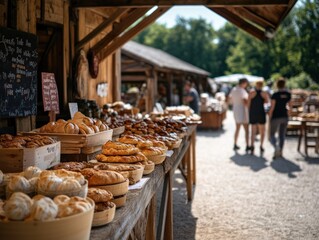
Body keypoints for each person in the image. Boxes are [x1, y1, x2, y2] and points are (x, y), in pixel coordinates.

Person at [268, 78, 292, 159]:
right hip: (284, 116)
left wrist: (269, 116)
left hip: (276, 116)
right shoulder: (288, 94)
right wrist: (289, 114)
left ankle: (276, 147)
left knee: (271, 134)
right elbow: (290, 106)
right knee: (282, 135)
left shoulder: (275, 94)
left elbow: (272, 107)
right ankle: (281, 151)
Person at [248, 80, 269, 154]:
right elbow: (266, 102)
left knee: (253, 131)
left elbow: (249, 104)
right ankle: (261, 145)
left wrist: (249, 113)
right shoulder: (264, 93)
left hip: (253, 112)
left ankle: (252, 145)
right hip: (261, 112)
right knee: (262, 131)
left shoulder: (251, 92)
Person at [229, 78, 249, 151]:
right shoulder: (242, 91)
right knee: (246, 129)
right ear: (243, 83)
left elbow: (230, 99)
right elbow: (245, 102)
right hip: (242, 111)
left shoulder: (234, 89)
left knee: (237, 128)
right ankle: (247, 145)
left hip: (236, 109)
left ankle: (235, 143)